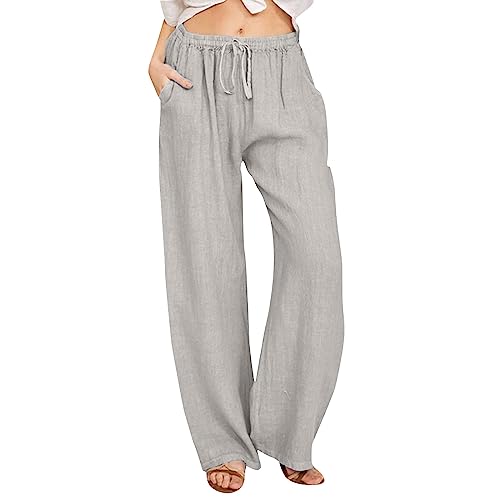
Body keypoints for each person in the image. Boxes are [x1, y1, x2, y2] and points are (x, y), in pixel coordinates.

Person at [148, 0, 344, 493]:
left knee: (316, 257)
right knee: (205, 261)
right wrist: (157, 54)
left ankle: (290, 431)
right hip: (193, 70)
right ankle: (224, 441)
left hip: (282, 71)